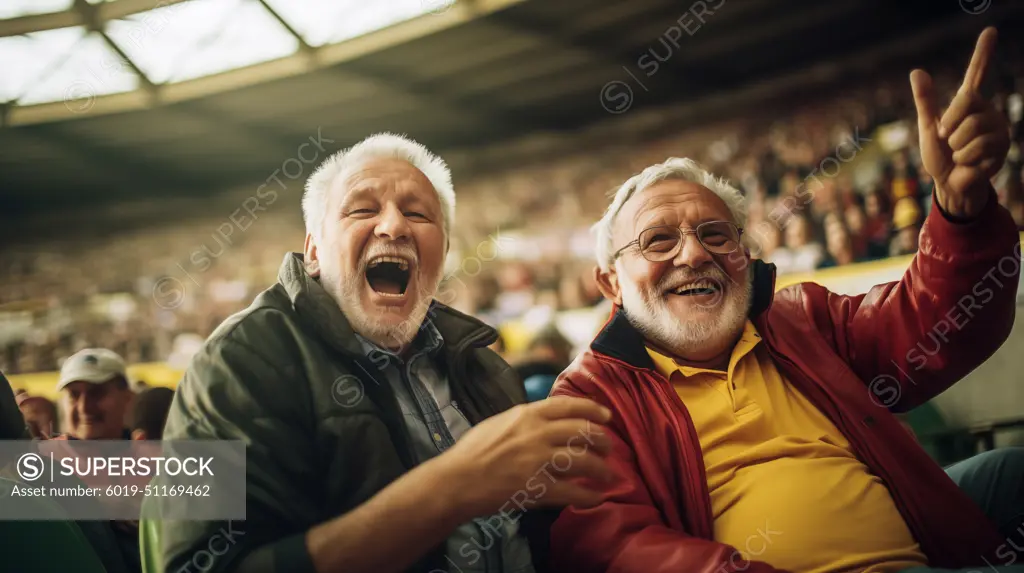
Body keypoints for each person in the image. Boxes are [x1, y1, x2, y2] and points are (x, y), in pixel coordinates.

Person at [549, 28, 1024, 573]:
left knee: (1011, 472)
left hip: (910, 534)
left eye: (716, 234)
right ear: (611, 283)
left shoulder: (803, 318)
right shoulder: (590, 396)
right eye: (659, 240)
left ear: (744, 254)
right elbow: (612, 546)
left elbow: (940, 325)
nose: (693, 254)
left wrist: (961, 210)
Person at [156, 133, 613, 573]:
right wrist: (449, 489)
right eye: (362, 209)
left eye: (418, 214)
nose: (394, 225)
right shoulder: (231, 365)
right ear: (313, 251)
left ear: (444, 251)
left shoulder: (485, 369)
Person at [57, 348, 134, 440]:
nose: (84, 407)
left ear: (127, 399)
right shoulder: (45, 453)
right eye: (74, 395)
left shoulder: (148, 452)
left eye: (96, 393)